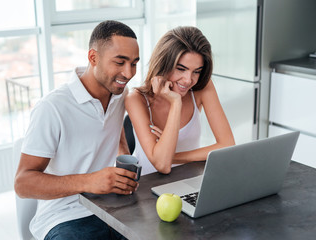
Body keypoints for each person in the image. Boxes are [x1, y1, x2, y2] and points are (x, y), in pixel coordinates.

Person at [14, 20, 140, 240]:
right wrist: (89, 181)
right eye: (120, 62)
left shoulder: (119, 94)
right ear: (93, 57)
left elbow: (114, 126)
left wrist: (123, 155)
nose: (128, 73)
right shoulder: (52, 107)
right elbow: (23, 184)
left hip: (110, 208)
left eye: (134, 63)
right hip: (64, 217)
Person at [125, 26, 235, 175]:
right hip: (148, 188)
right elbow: (162, 165)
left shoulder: (203, 88)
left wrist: (173, 156)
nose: (188, 80)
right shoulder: (136, 98)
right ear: (164, 64)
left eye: (196, 71)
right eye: (181, 69)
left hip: (190, 181)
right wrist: (176, 103)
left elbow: (227, 145)